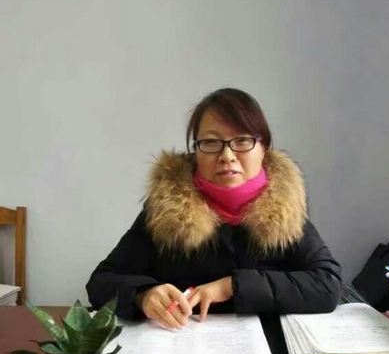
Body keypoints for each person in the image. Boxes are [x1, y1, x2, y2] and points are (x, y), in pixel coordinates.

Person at [86, 88, 342, 328]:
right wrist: (143, 295)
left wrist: (232, 286)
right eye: (210, 142)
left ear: (263, 148)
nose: (227, 156)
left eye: (242, 140)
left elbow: (327, 284)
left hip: (268, 352)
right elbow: (101, 282)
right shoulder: (167, 210)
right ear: (195, 151)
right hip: (181, 346)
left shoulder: (284, 209)